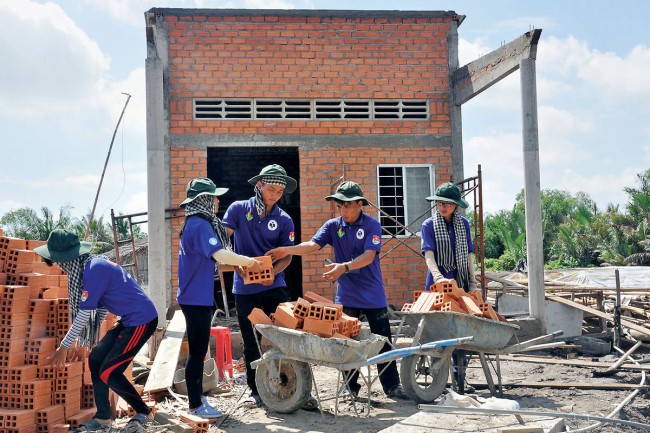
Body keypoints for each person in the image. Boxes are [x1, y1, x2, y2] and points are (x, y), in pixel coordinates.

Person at [267, 181, 409, 400]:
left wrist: (344, 267)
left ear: (360, 204)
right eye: (339, 206)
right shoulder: (333, 226)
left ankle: (392, 386)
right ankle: (351, 387)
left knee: (383, 342)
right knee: (344, 342)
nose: (343, 210)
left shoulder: (371, 225)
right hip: (347, 295)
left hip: (372, 294)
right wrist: (287, 249)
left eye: (347, 206)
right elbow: (312, 245)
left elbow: (369, 256)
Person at [35, 229, 158, 433]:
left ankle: (143, 411)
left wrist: (64, 347)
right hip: (128, 320)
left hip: (141, 320)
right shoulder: (91, 266)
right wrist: (90, 341)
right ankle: (103, 417)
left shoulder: (93, 270)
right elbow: (101, 307)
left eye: (58, 261)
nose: (59, 266)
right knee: (96, 360)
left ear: (67, 259)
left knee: (110, 371)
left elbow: (85, 314)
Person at [222, 164, 319, 409]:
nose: (275, 195)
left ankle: (299, 388)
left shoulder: (284, 219)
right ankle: (257, 390)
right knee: (251, 339)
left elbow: (287, 256)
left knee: (287, 336)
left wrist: (272, 274)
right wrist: (237, 267)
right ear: (259, 185)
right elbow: (224, 242)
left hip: (274, 287)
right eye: (271, 189)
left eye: (279, 191)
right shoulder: (238, 210)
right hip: (244, 289)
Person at [177, 177, 262, 418]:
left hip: (195, 295)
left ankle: (198, 399)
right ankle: (196, 403)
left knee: (198, 349)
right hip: (195, 298)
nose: (217, 201)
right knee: (197, 351)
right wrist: (248, 261)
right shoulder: (200, 225)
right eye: (213, 197)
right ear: (203, 200)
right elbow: (221, 254)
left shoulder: (193, 223)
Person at [420, 181, 478, 393]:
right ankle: (439, 380)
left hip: (460, 284)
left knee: (461, 333)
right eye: (439, 203)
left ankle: (460, 378)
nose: (443, 207)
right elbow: (429, 255)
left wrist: (473, 283)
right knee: (439, 334)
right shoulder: (429, 225)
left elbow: (469, 255)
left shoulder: (463, 224)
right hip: (438, 287)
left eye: (448, 203)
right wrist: (438, 277)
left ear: (456, 206)